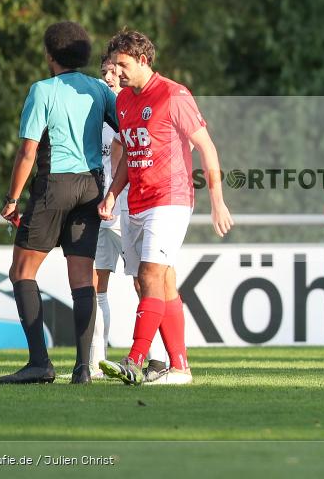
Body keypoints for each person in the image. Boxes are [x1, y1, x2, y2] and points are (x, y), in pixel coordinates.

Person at [98, 29, 233, 386]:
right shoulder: (124, 101)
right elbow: (128, 152)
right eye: (114, 65)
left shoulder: (174, 95)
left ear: (143, 60)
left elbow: (206, 147)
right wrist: (113, 194)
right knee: (158, 284)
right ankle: (179, 368)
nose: (118, 72)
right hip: (135, 201)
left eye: (123, 64)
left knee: (150, 275)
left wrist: (217, 201)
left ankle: (135, 360)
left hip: (170, 198)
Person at [0, 21, 118, 385]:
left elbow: (28, 151)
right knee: (82, 280)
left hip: (55, 185)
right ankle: (84, 369)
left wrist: (12, 199)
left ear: (50, 54)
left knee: (22, 272)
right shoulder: (99, 88)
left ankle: (40, 363)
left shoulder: (43, 90)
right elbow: (124, 131)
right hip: (91, 186)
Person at [87, 55, 169, 380]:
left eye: (115, 70)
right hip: (97, 210)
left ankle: (158, 359)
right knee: (95, 285)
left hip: (129, 207)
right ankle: (95, 362)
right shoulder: (98, 115)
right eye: (105, 71)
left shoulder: (132, 110)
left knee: (144, 282)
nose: (110, 75)